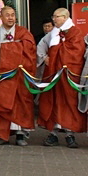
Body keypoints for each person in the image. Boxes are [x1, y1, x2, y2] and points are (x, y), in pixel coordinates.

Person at [0, 6, 36, 146]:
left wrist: (4, 47)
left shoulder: (24, 33)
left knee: (21, 103)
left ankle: (20, 135)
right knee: (2, 103)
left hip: (19, 75)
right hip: (3, 76)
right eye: (7, 15)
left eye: (13, 15)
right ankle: (2, 135)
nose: (10, 17)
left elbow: (30, 49)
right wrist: (14, 46)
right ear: (1, 17)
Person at [39, 8, 86, 148]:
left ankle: (69, 134)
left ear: (65, 17)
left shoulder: (76, 33)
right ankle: (53, 134)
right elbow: (41, 46)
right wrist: (44, 57)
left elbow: (77, 53)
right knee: (53, 101)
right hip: (54, 74)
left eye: (57, 17)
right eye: (53, 16)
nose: (54, 19)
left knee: (69, 102)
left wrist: (57, 51)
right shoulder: (53, 33)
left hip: (69, 75)